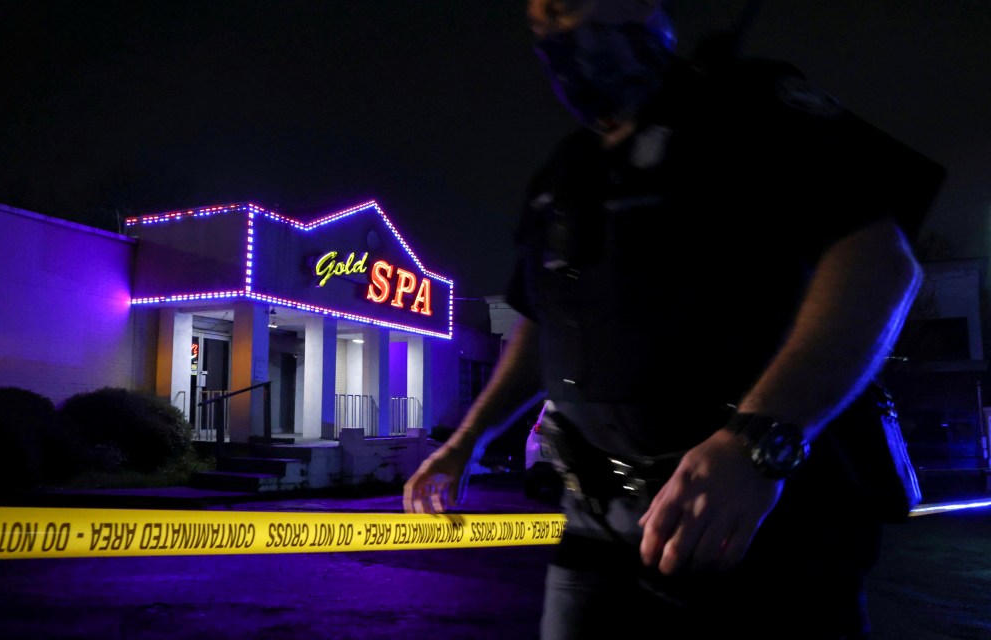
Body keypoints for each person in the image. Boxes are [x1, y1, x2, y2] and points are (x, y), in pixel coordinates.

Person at [403, 1, 945, 638]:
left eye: (576, 9)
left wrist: (756, 445)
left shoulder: (749, 106)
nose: (555, 27)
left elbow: (881, 263)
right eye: (541, 17)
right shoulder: (567, 169)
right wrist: (466, 441)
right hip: (596, 527)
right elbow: (540, 323)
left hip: (754, 525)